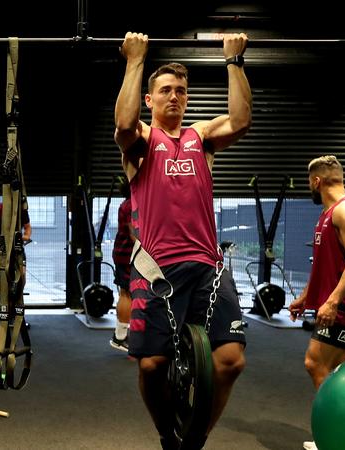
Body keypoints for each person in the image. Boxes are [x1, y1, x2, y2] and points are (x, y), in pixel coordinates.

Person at [114, 32, 251, 450]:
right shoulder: (141, 144)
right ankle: (165, 434)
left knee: (230, 362)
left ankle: (195, 437)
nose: (174, 96)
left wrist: (234, 60)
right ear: (150, 100)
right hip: (158, 270)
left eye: (180, 91)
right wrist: (135, 61)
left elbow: (241, 120)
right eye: (165, 91)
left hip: (208, 266)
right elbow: (122, 124)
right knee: (152, 365)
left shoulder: (201, 137)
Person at [289, 155, 345, 450]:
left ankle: (337, 436)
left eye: (308, 184)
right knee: (339, 371)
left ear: (317, 181)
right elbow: (328, 266)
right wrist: (307, 298)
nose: (309, 189)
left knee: (315, 363)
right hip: (341, 305)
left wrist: (332, 302)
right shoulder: (330, 214)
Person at [0, 202, 32, 296]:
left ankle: (20, 286)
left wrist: (26, 235)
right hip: (0, 238)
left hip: (16, 239)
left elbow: (28, 227)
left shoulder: (23, 211)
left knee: (21, 266)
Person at [110, 180, 134, 352]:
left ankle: (126, 334)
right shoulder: (133, 204)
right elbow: (135, 234)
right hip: (128, 255)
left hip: (124, 253)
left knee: (127, 293)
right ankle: (120, 337)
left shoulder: (127, 203)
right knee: (126, 293)